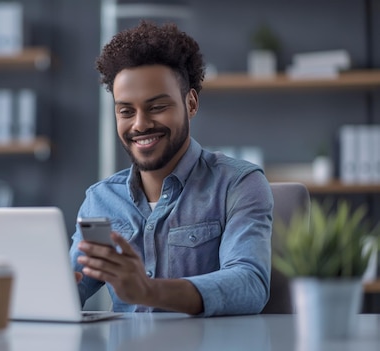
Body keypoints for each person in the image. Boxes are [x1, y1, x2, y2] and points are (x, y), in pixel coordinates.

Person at [69, 21, 273, 317]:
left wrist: (149, 291)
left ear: (190, 103)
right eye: (126, 111)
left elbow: (250, 284)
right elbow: (70, 290)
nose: (139, 124)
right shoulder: (100, 201)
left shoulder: (238, 184)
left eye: (157, 107)